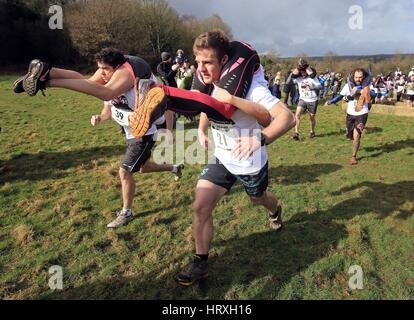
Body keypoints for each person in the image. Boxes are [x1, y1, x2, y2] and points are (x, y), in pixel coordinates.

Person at [162, 30, 295, 286]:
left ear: (224, 61)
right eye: (197, 62)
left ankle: (275, 209)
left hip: (249, 161)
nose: (201, 69)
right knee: (200, 206)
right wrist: (201, 129)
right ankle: (200, 262)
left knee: (259, 199)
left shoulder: (251, 87)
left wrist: (257, 136)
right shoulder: (207, 80)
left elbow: (287, 118)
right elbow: (207, 104)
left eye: (207, 62)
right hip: (222, 158)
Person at [325, 68, 374, 165]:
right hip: (350, 114)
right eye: (356, 77)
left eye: (360, 77)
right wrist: (331, 101)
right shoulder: (348, 85)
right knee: (350, 135)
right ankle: (350, 134)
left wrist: (362, 91)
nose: (358, 79)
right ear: (353, 76)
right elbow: (340, 96)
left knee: (357, 135)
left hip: (362, 113)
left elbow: (374, 94)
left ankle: (353, 156)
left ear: (363, 77)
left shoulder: (367, 85)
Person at [286, 59, 321, 140]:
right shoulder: (298, 78)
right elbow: (290, 79)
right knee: (297, 114)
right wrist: (295, 70)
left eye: (304, 72)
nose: (303, 73)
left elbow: (319, 86)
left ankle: (312, 131)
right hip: (302, 99)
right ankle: (296, 133)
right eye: (301, 72)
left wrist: (311, 87)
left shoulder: (313, 78)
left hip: (312, 100)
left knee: (311, 117)